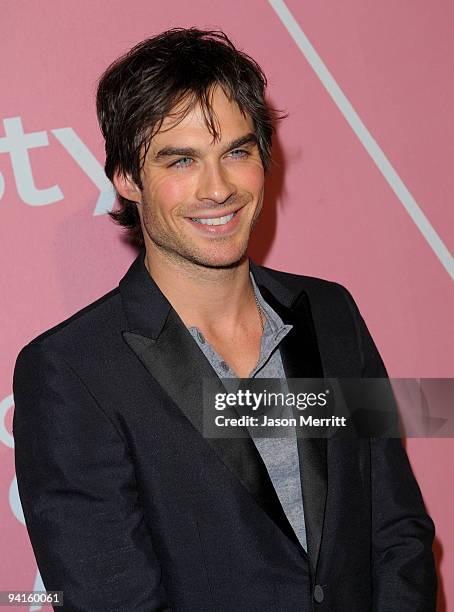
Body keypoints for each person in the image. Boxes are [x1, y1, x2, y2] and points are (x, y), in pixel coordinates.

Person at [13, 28, 437, 611]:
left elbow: (397, 531)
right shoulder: (70, 371)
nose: (219, 188)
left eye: (236, 152)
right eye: (181, 159)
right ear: (128, 179)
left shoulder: (331, 312)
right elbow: (108, 599)